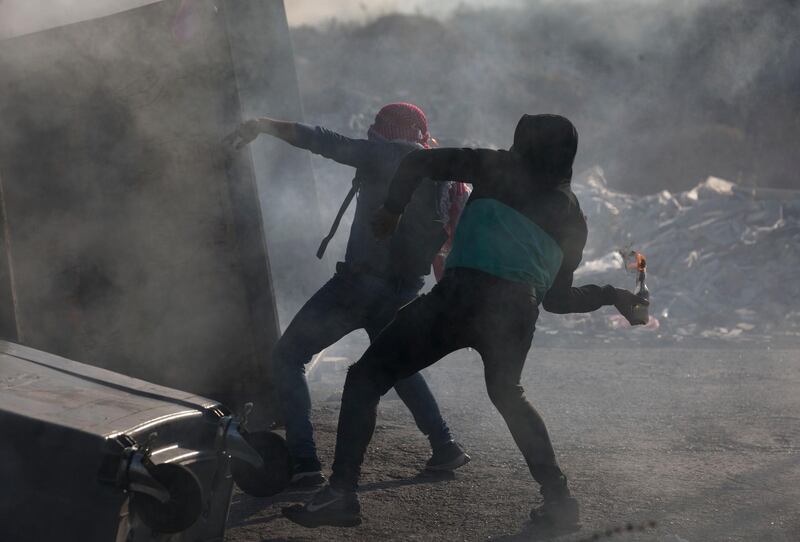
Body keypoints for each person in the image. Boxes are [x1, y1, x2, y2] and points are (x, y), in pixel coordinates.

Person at [282, 114, 648, 527]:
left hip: (461, 297)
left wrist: (391, 210)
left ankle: (341, 494)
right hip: (518, 311)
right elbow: (559, 301)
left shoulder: (498, 166)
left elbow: (416, 163)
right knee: (508, 394)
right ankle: (559, 500)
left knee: (366, 377)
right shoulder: (573, 217)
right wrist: (615, 297)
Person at [227, 103, 470, 487]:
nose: (373, 131)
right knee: (396, 366)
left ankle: (304, 462)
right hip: (405, 289)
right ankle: (445, 445)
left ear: (392, 130)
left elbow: (325, 141)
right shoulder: (439, 170)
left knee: (288, 356)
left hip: (359, 287)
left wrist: (265, 125)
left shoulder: (391, 154)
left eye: (380, 125)